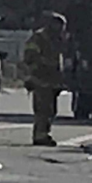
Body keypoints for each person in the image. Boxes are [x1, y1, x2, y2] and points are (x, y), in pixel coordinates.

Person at [24, 12, 67, 147]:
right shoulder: (39, 38)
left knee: (50, 110)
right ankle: (40, 135)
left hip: (51, 80)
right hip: (40, 78)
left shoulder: (57, 39)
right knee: (43, 109)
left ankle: (43, 133)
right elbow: (30, 56)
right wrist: (41, 67)